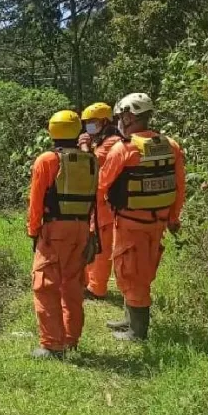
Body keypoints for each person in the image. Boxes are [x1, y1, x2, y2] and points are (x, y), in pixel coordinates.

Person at [98, 93, 186, 341]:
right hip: (157, 222)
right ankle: (129, 319)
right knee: (141, 269)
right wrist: (173, 218)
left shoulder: (123, 149)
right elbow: (180, 185)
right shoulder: (171, 145)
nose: (118, 121)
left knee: (130, 271)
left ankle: (137, 332)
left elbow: (103, 184)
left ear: (129, 116)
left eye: (120, 116)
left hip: (130, 223)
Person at [27, 110, 98, 358]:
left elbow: (36, 202)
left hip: (54, 230)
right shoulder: (90, 159)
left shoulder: (47, 160)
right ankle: (70, 339)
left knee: (45, 286)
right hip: (80, 228)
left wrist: (33, 231)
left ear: (51, 130)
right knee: (72, 286)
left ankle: (52, 345)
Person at [78, 102, 123, 300]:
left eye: (93, 122)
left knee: (101, 246)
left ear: (105, 121)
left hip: (106, 204)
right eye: (87, 123)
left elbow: (92, 163)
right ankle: (89, 283)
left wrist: (84, 146)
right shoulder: (102, 140)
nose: (89, 126)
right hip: (97, 203)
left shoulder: (112, 142)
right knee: (93, 242)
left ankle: (97, 288)